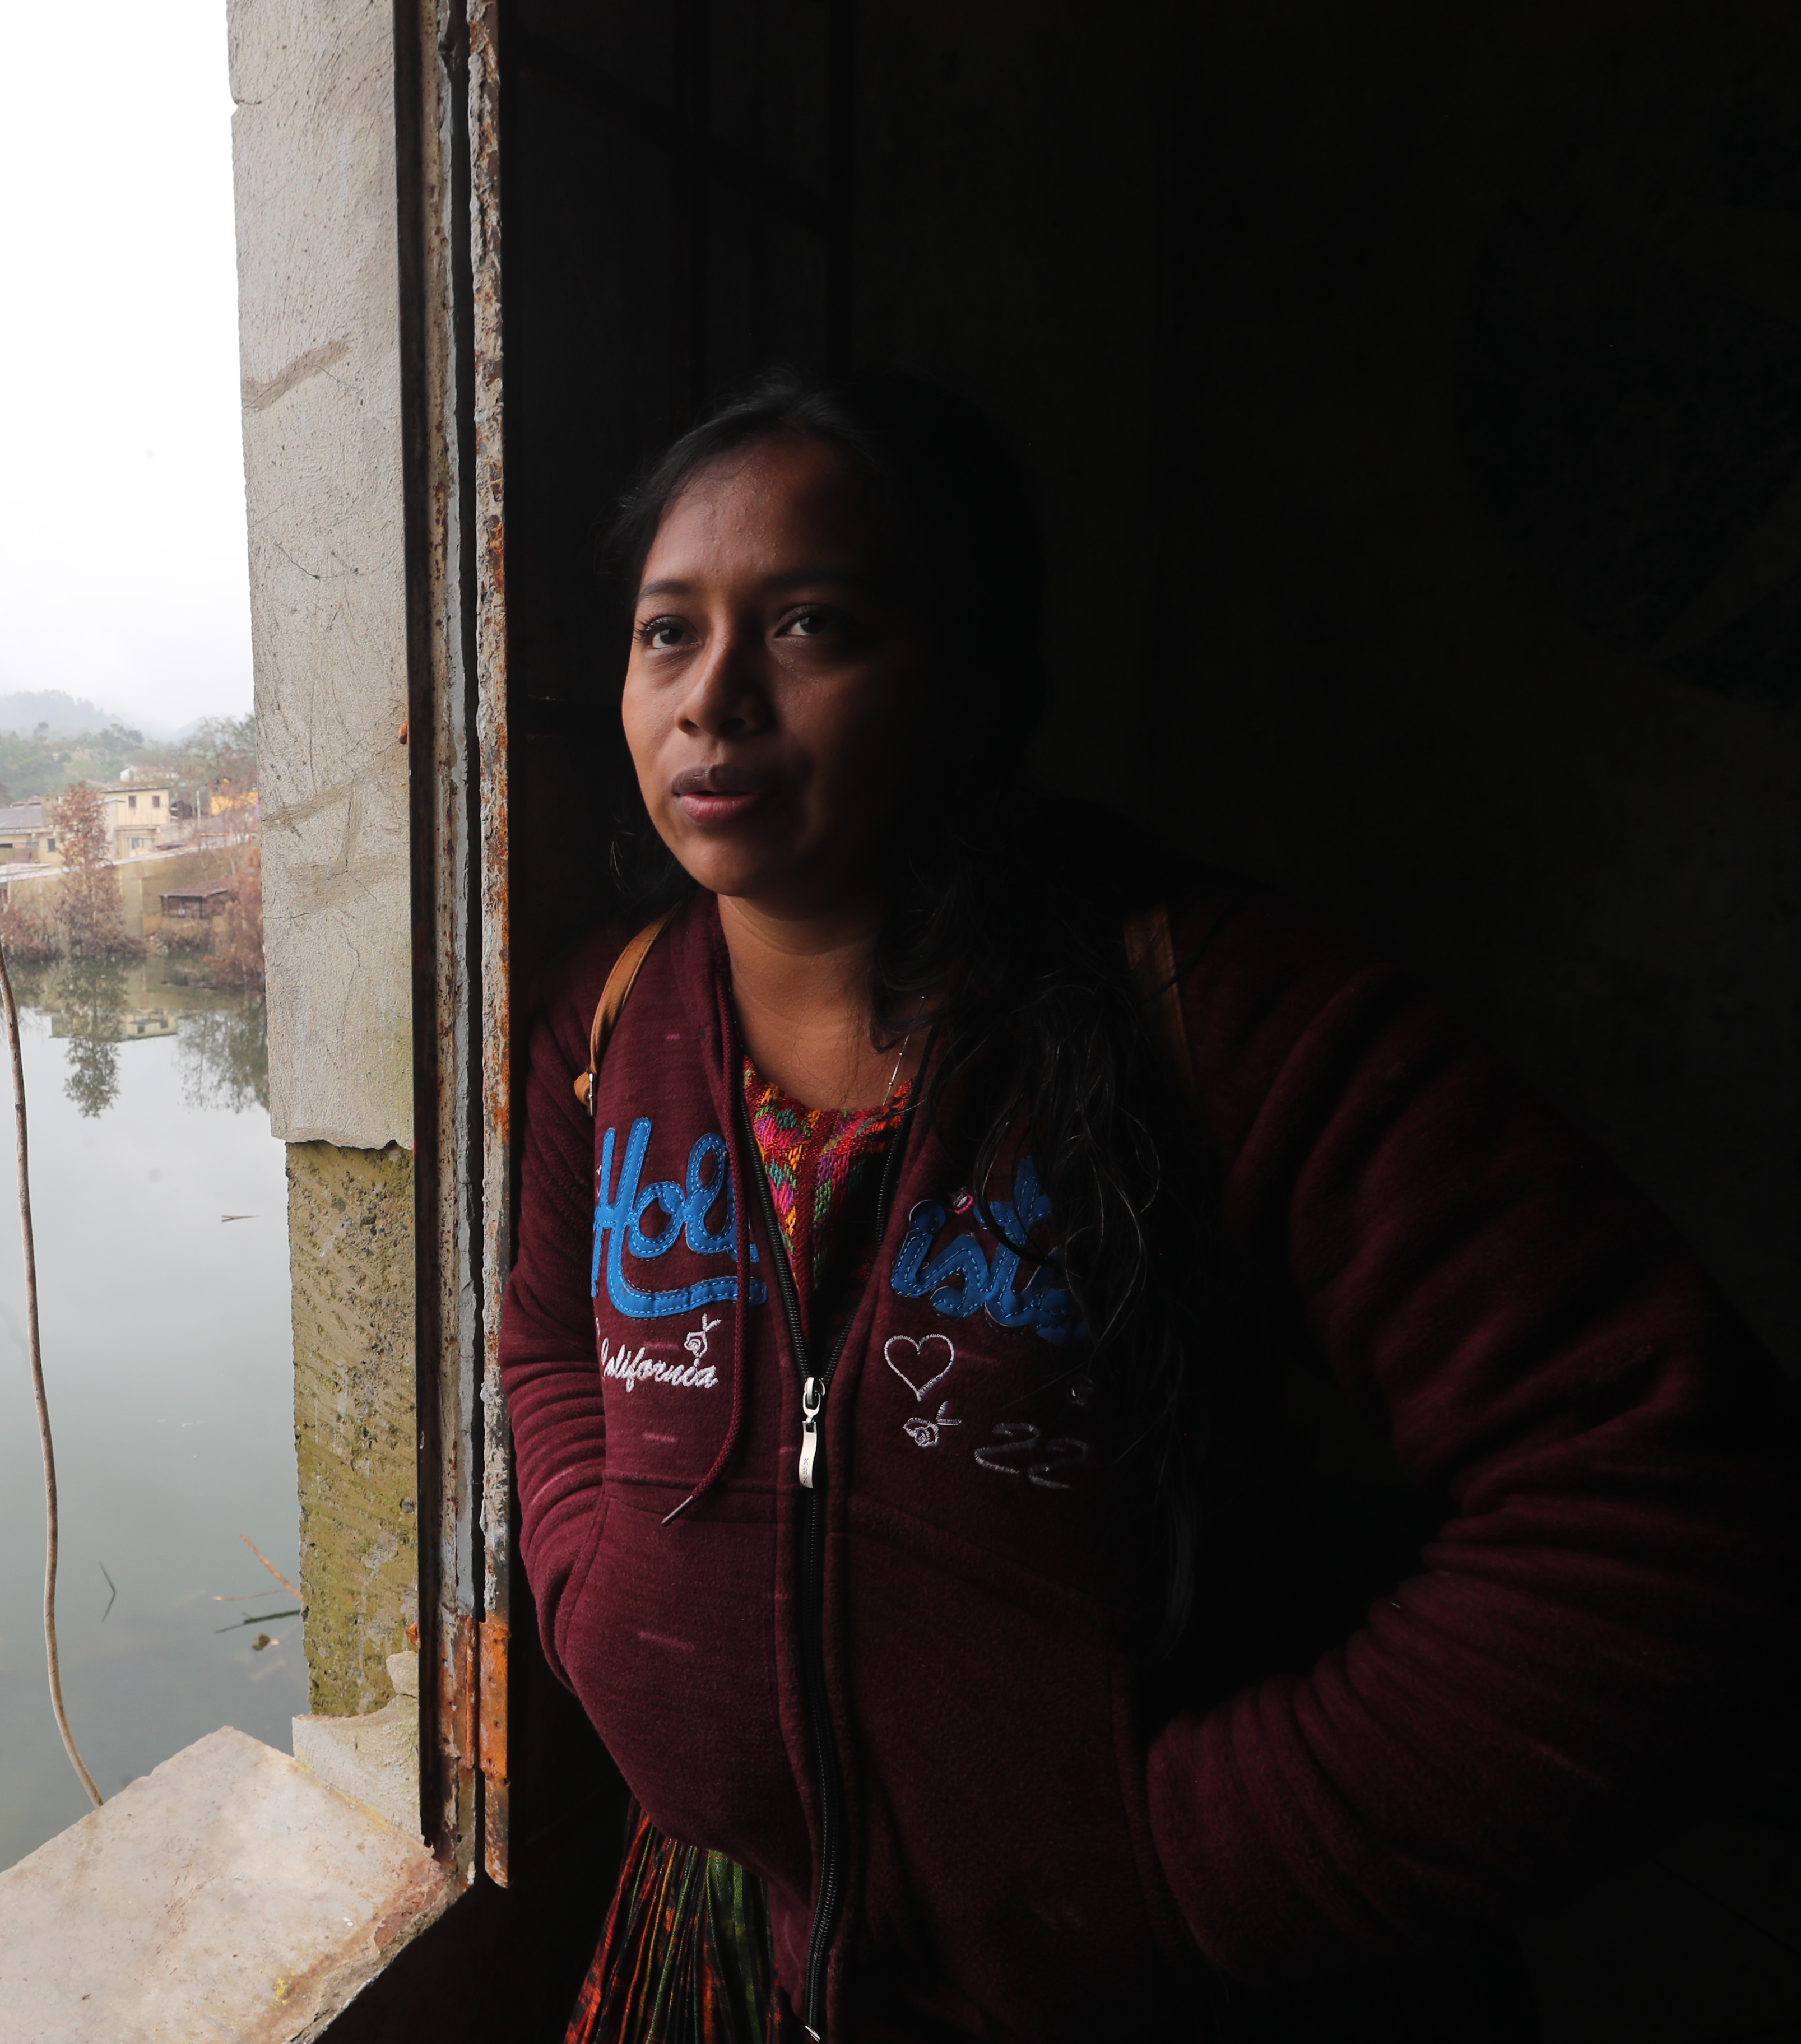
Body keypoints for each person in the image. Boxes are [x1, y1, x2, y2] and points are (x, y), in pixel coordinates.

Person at [496, 366, 1797, 2043]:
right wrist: (600, 1604)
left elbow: (1668, 1503)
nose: (714, 699)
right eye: (669, 632)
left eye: (812, 627)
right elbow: (548, 1344)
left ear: (964, 676)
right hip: (771, 1949)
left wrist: (1180, 1860)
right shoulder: (603, 1026)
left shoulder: (1217, 1009)